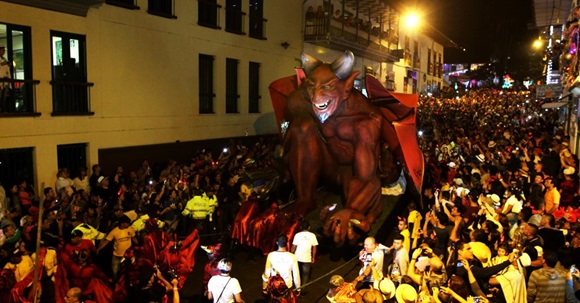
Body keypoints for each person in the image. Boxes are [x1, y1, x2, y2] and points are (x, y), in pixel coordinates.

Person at [96, 214, 137, 279]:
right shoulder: (114, 232)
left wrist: (139, 245)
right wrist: (99, 249)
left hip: (128, 255)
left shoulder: (130, 229)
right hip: (117, 255)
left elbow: (133, 238)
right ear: (122, 224)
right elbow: (106, 241)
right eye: (127, 223)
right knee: (115, 271)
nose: (129, 224)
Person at [291, 220, 318, 292]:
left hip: (297, 258)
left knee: (297, 273)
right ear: (309, 227)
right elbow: (314, 247)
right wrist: (313, 257)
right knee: (305, 275)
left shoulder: (297, 235)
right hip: (307, 258)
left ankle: (297, 288)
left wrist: (291, 254)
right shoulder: (312, 235)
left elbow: (294, 247)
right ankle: (303, 290)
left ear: (301, 227)